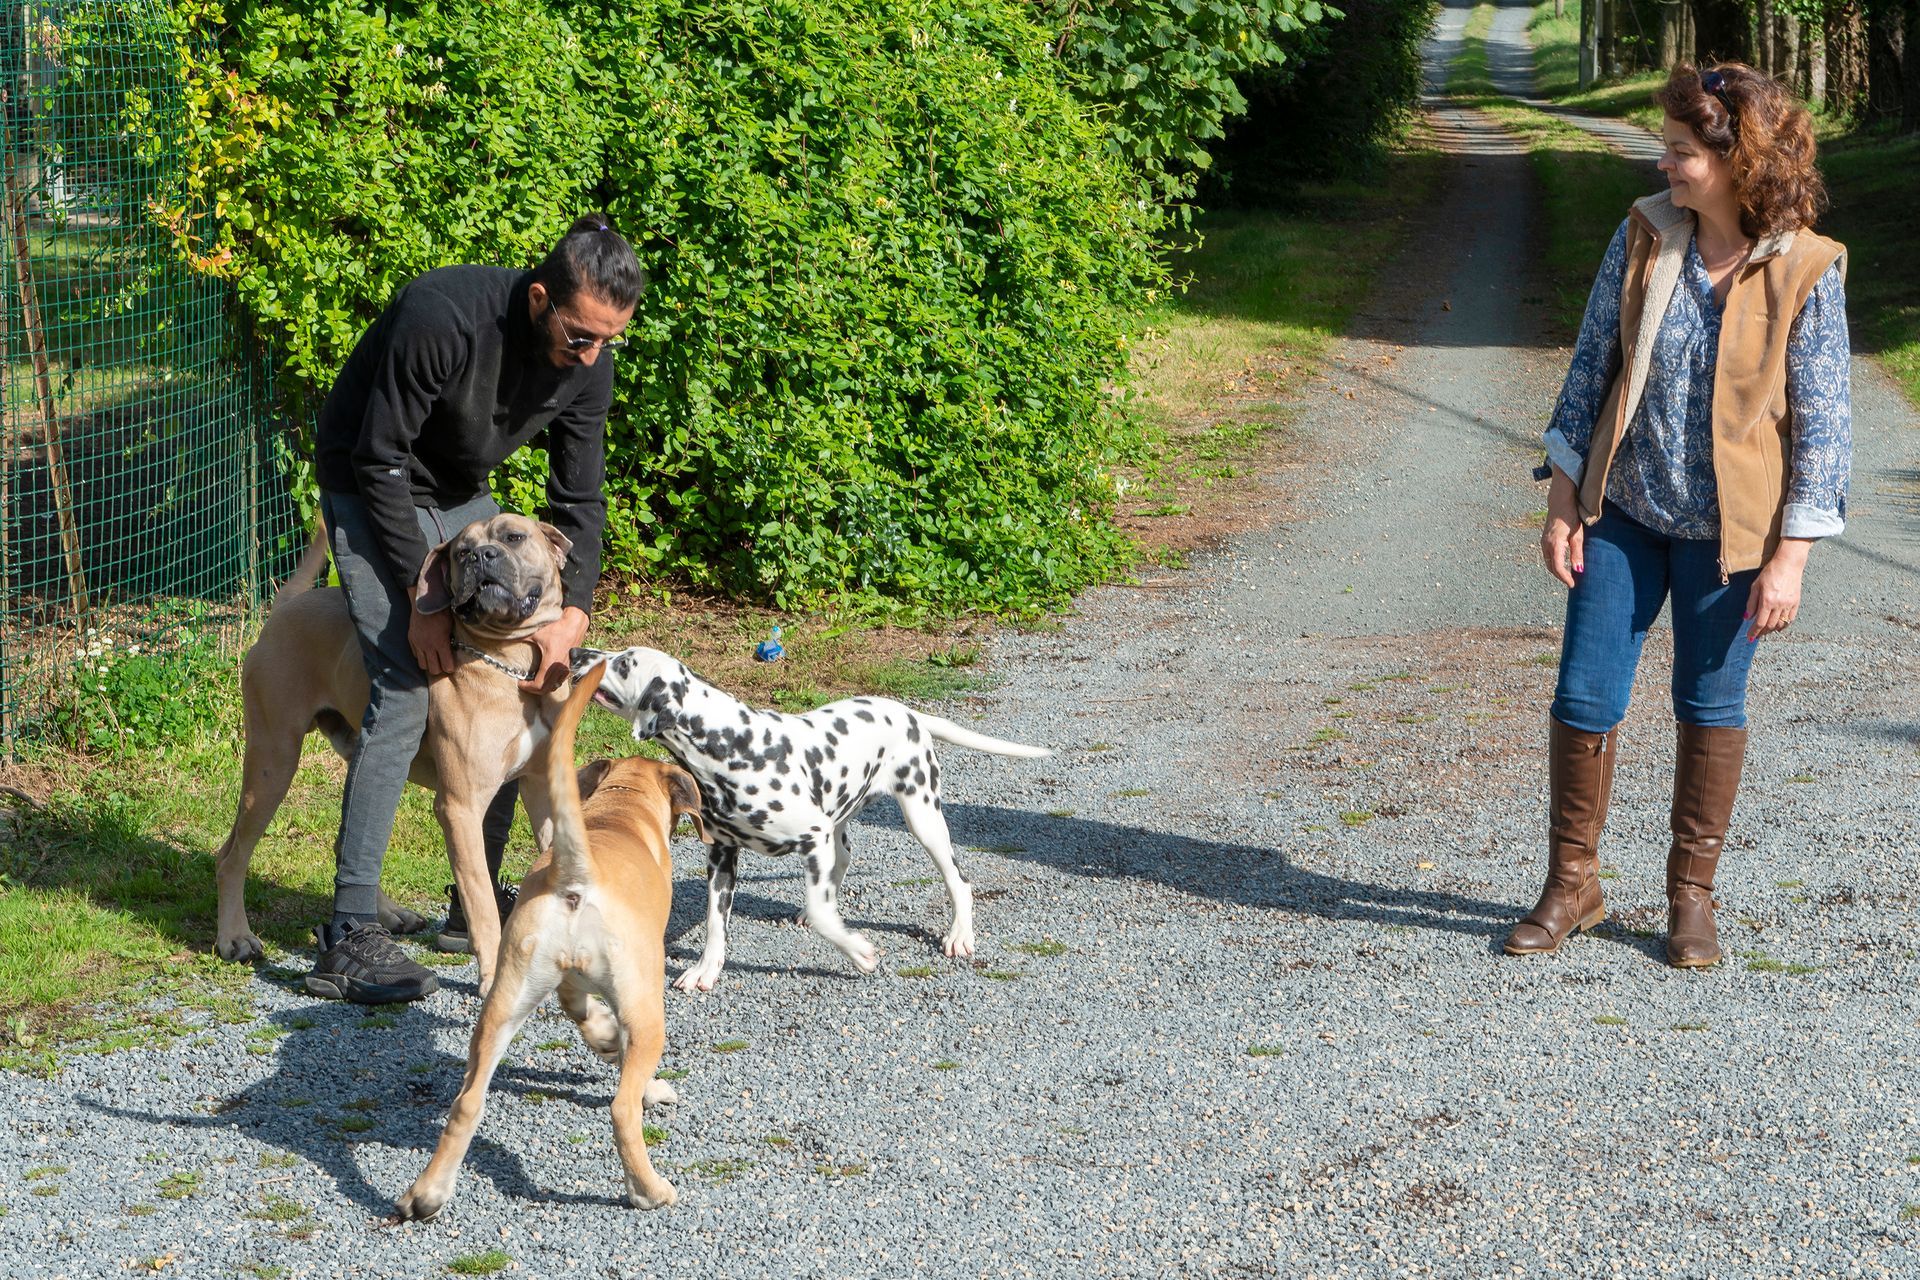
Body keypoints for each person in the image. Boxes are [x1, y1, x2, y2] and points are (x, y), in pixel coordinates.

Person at [1509, 64, 1849, 968]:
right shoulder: (1647, 236)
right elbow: (1591, 366)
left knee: (1709, 705)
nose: (1665, 165)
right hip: (1625, 512)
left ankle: (1689, 898)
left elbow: (1825, 426)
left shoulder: (1808, 267)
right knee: (1584, 696)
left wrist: (1793, 559)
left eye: (1683, 152)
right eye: (1667, 149)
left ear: (1743, 163)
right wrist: (1563, 493)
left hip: (1732, 540)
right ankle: (1570, 884)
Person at [304, 215, 643, 1002]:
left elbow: (579, 498)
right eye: (582, 336)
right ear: (538, 300)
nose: (591, 356)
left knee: (515, 676)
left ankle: (474, 901)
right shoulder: (442, 316)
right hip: (369, 478)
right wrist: (422, 601)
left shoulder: (590, 365)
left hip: (459, 492)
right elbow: (379, 455)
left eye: (608, 341)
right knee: (402, 679)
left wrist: (575, 613)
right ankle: (350, 931)